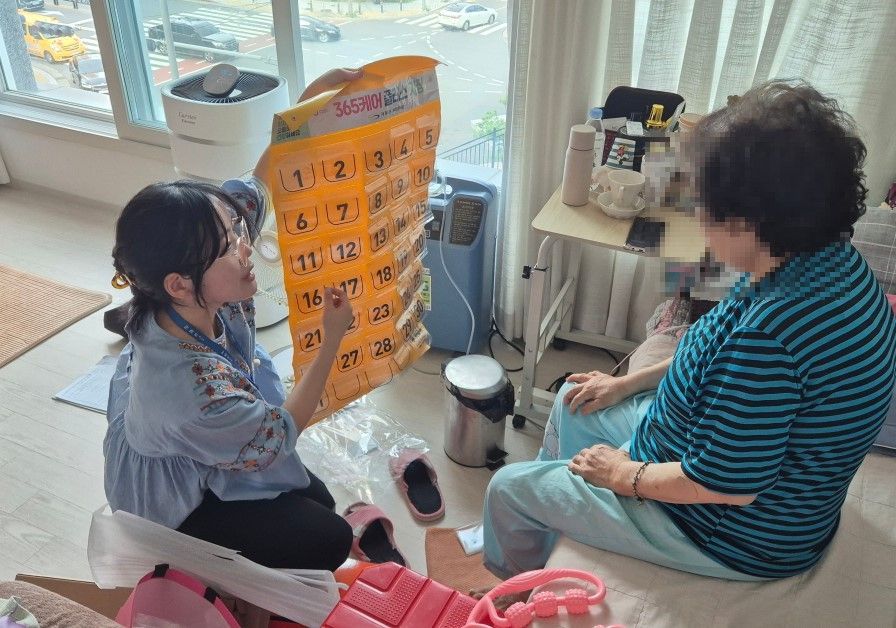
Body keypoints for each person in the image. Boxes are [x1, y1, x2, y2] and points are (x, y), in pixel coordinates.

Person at [481, 80, 896, 582]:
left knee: (508, 490)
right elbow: (709, 348)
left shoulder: (770, 339)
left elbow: (728, 486)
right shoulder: (824, 260)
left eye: (702, 207)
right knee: (576, 402)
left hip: (724, 530)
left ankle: (508, 593)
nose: (697, 219)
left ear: (748, 221)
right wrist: (624, 384)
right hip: (687, 445)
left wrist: (623, 475)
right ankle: (564, 526)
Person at [103, 69, 361, 570]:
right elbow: (281, 432)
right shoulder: (192, 395)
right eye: (229, 246)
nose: (246, 248)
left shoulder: (195, 284)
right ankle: (195, 562)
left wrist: (309, 102)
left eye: (236, 232)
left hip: (194, 437)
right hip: (176, 503)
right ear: (179, 284)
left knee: (321, 501)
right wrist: (331, 339)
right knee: (330, 539)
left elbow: (259, 182)